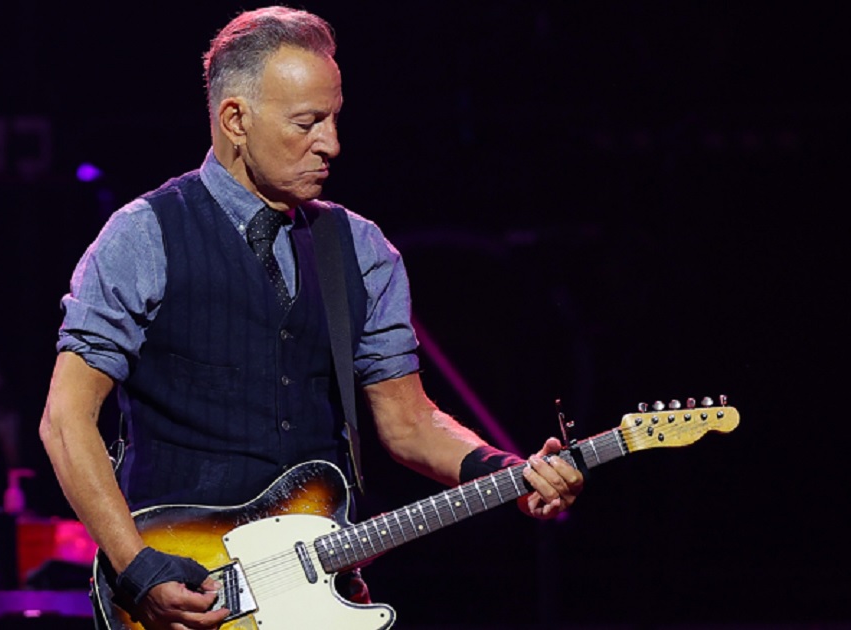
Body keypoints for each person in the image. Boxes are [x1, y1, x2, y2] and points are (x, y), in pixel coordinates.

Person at [40, 6, 584, 629]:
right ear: (235, 120)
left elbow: (407, 424)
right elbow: (66, 421)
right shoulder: (144, 236)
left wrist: (509, 470)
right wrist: (137, 567)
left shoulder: (361, 249)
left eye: (333, 118)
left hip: (320, 596)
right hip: (187, 597)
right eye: (308, 122)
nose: (331, 143)